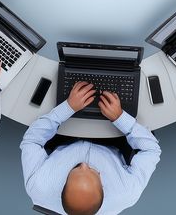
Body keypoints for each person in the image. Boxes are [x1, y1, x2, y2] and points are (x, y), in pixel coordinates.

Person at [21, 82, 160, 214]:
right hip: (113, 140)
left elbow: (31, 141)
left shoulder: (38, 187)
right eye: (92, 170)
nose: (84, 164)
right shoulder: (127, 191)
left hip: (64, 136)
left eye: (75, 168)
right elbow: (151, 150)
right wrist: (120, 117)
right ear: (103, 186)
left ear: (62, 186)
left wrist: (68, 107)